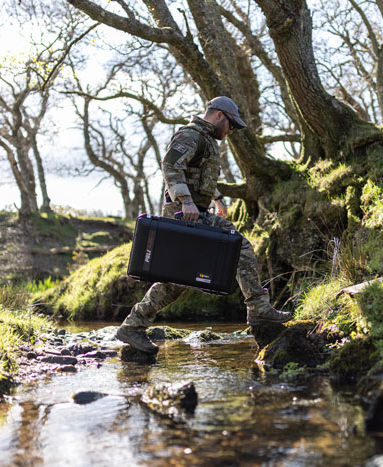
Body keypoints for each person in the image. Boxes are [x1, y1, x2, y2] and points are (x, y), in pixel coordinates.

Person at [116, 96, 292, 354]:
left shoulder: (207, 139)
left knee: (176, 280)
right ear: (219, 115)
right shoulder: (191, 134)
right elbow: (170, 165)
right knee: (238, 245)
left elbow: (199, 175)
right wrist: (186, 201)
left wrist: (217, 197)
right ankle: (258, 309)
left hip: (195, 211)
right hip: (184, 213)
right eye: (231, 124)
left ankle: (133, 326)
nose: (231, 131)